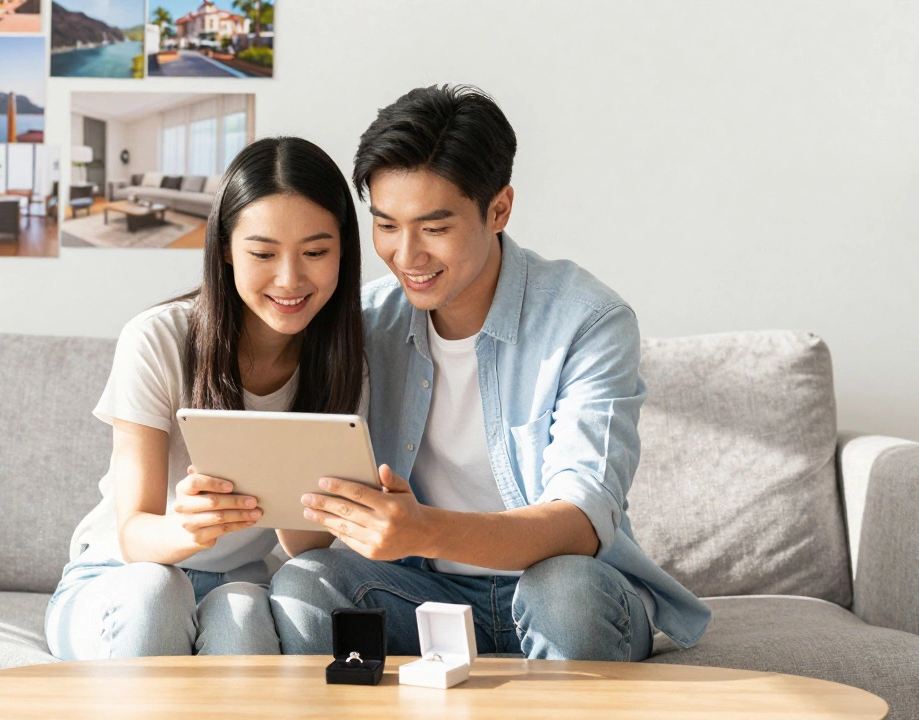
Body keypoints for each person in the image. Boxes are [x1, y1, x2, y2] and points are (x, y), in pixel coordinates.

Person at [270, 85, 712, 661]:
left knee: (566, 591)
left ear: (498, 209)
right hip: (425, 595)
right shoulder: (363, 324)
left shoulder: (588, 320)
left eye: (434, 227)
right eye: (386, 225)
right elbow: (311, 533)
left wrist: (423, 527)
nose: (407, 255)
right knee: (304, 581)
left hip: (556, 589)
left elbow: (581, 520)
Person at [45, 136, 366, 658]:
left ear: (343, 251)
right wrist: (190, 526)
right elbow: (134, 536)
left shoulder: (350, 361)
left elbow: (310, 547)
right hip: (118, 577)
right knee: (158, 593)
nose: (290, 278)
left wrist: (292, 488)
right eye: (262, 253)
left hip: (239, 582)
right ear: (224, 248)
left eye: (315, 252)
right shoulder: (157, 339)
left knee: (242, 615)